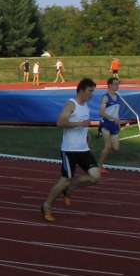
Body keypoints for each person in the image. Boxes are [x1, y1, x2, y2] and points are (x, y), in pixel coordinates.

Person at [41, 78, 101, 222]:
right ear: (81, 90)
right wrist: (80, 124)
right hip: (69, 150)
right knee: (65, 179)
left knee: (95, 177)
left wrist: (87, 135)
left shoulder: (86, 106)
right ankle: (47, 205)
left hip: (83, 149)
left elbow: (84, 125)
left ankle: (70, 189)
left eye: (93, 91)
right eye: (90, 91)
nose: (92, 94)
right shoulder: (71, 104)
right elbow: (60, 122)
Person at [97, 77, 122, 169]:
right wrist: (112, 118)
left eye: (118, 84)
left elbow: (116, 111)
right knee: (107, 146)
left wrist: (118, 122)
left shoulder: (118, 97)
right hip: (106, 123)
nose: (117, 86)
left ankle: (105, 150)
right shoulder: (105, 97)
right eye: (115, 84)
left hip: (114, 124)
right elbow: (101, 113)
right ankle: (99, 166)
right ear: (110, 85)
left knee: (116, 148)